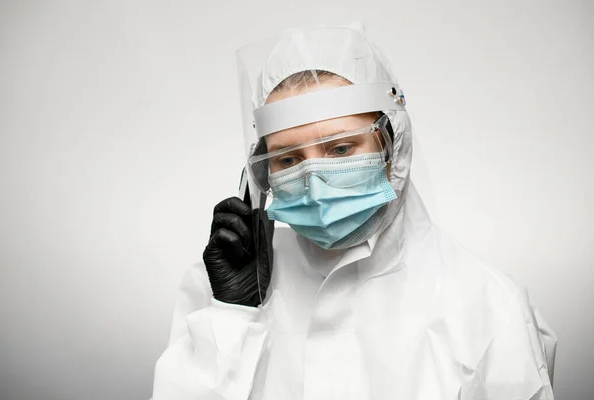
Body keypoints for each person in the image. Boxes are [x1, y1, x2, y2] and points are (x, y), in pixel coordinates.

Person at [151, 23, 557, 400]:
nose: (315, 182)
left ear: (391, 145)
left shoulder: (487, 305)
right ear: (263, 171)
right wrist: (232, 316)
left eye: (341, 148)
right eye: (288, 159)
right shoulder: (224, 290)